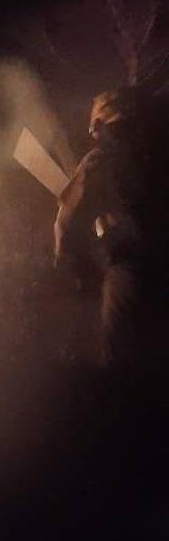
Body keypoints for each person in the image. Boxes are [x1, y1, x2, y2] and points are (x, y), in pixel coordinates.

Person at [55, 87, 169, 368]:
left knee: (126, 367)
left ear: (98, 123)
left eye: (93, 120)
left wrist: (68, 261)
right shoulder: (159, 146)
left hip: (133, 272)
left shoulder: (99, 159)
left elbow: (67, 224)